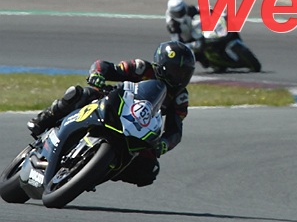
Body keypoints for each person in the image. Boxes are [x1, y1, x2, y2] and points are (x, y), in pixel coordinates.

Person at [26, 41, 196, 187]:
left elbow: (175, 130)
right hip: (113, 105)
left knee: (149, 170)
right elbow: (104, 66)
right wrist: (97, 75)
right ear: (161, 65)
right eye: (175, 71)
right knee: (83, 93)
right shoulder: (142, 69)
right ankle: (44, 118)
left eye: (184, 73)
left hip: (138, 130)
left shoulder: (180, 97)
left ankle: (98, 171)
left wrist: (164, 143)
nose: (179, 77)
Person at [165, 0, 207, 67]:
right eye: (177, 13)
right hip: (187, 41)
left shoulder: (187, 9)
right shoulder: (172, 25)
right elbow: (177, 44)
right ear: (172, 12)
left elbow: (203, 9)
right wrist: (192, 45)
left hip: (195, 31)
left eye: (181, 11)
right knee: (200, 59)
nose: (180, 14)